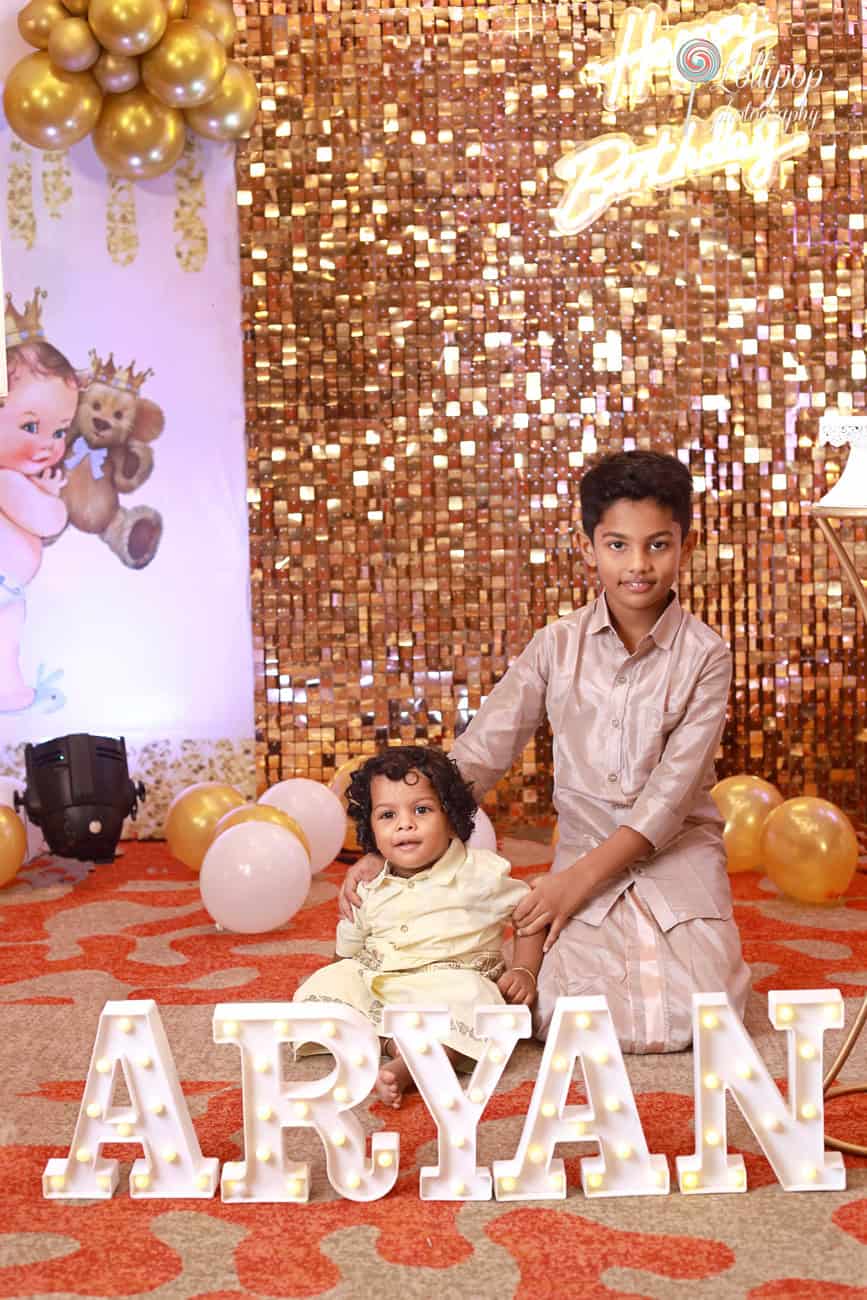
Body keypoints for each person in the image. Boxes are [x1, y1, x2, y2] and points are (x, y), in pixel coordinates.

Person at [341, 450, 751, 1054]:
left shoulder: (708, 656)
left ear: (685, 547)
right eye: (617, 545)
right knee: (558, 1010)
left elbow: (669, 799)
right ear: (588, 546)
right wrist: (392, 844)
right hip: (582, 848)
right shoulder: (556, 646)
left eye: (657, 545)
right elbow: (480, 754)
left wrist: (570, 886)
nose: (638, 565)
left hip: (676, 857)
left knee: (703, 1016)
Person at [296, 745, 544, 1107]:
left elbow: (529, 915)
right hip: (383, 980)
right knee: (323, 987)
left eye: (422, 810)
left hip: (452, 982)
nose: (404, 824)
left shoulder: (480, 873)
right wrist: (340, 981)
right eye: (387, 815)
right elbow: (347, 945)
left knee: (477, 1006)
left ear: (451, 817)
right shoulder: (370, 883)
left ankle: (409, 1066)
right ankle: (390, 1041)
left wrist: (525, 969)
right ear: (371, 828)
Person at [0, 291, 77, 712]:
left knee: (6, 642)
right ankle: (9, 691)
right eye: (31, 426)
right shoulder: (7, 482)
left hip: (7, 589)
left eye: (60, 432)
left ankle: (9, 692)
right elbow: (48, 521)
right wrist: (53, 500)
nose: (48, 445)